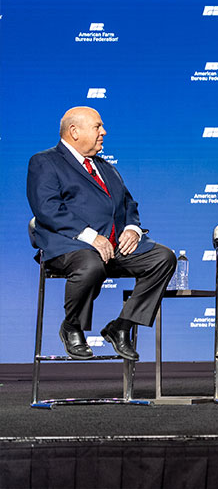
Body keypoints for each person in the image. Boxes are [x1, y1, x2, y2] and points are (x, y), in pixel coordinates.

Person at [27, 107, 177, 361]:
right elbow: (47, 208)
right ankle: (72, 327)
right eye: (97, 126)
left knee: (163, 257)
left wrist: (132, 228)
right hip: (69, 245)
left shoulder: (105, 167)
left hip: (113, 246)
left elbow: (128, 203)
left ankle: (122, 326)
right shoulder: (45, 161)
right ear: (74, 131)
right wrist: (90, 236)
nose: (103, 132)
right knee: (90, 265)